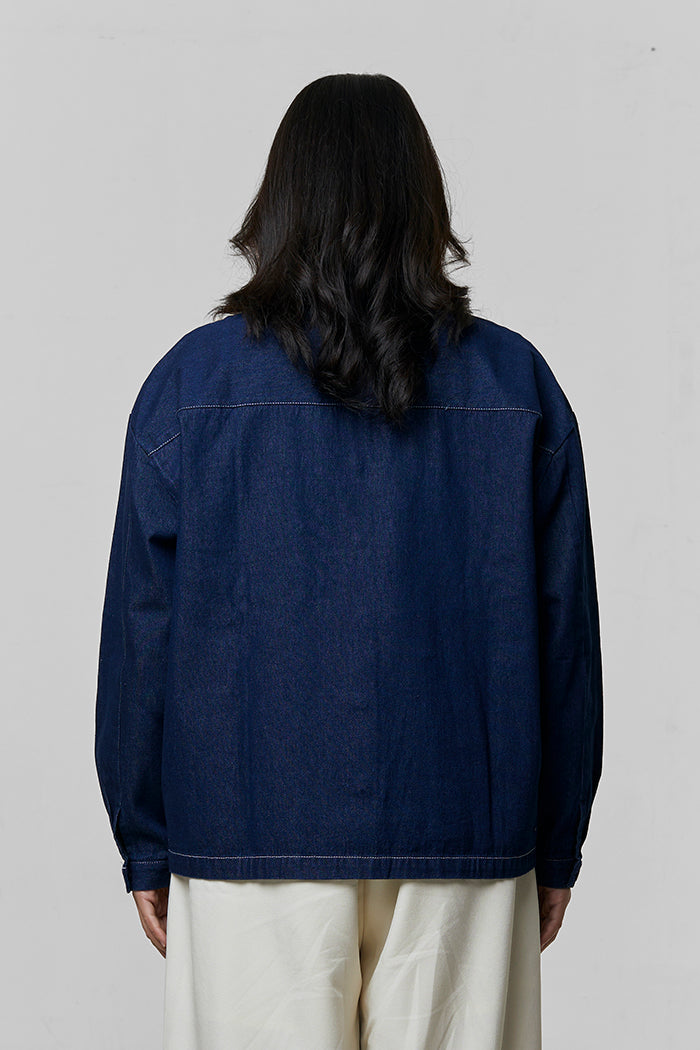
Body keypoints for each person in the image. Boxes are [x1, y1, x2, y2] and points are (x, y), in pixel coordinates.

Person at [94, 72, 604, 1050]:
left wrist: (146, 842)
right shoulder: (515, 383)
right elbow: (563, 637)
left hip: (247, 830)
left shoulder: (191, 386)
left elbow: (140, 634)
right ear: (424, 203)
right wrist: (556, 842)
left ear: (280, 202)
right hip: (465, 829)